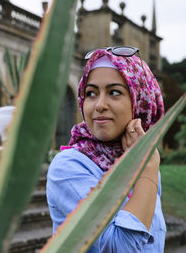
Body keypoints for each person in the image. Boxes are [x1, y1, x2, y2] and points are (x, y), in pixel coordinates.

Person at [46, 46, 166, 252]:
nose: (99, 105)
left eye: (114, 92)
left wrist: (146, 168)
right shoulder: (68, 167)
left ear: (140, 101)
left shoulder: (142, 163)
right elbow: (121, 247)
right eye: (91, 93)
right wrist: (149, 169)